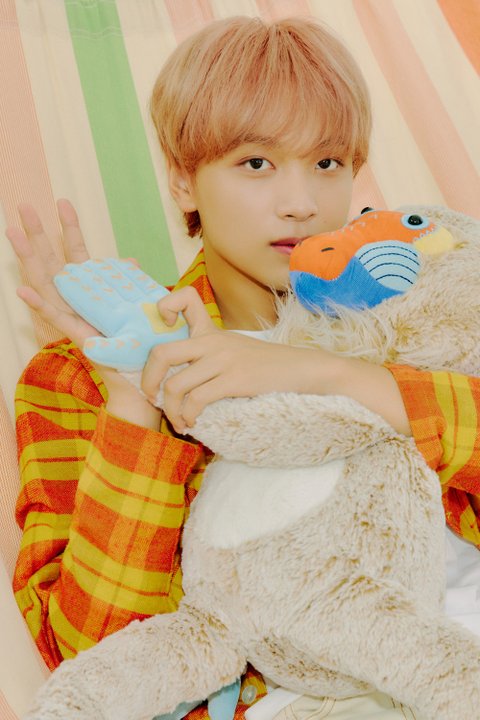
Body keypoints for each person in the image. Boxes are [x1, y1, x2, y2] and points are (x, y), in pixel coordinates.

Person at [6, 15, 480, 720]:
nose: (301, 204)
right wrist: (136, 405)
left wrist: (324, 374)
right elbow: (93, 660)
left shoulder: (416, 308)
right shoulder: (77, 378)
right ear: (183, 183)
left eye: (327, 162)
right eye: (256, 163)